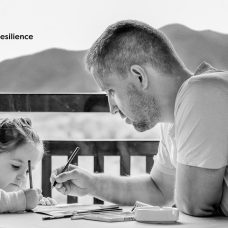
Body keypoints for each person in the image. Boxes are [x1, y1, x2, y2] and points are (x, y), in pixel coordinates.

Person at [51, 20, 228, 217]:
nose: (111, 108)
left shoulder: (201, 92)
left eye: (111, 90)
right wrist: (91, 184)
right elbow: (159, 190)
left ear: (139, 77)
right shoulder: (174, 118)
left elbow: (194, 206)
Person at [0, 118, 56, 213]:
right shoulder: (15, 200)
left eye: (27, 171)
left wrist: (33, 202)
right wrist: (22, 200)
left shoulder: (14, 197)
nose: (22, 177)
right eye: (15, 166)